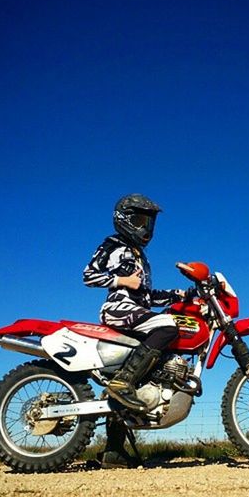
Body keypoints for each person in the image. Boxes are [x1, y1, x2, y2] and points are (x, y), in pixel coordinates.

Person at [83, 193, 185, 468]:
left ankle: (113, 452)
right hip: (118, 308)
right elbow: (88, 275)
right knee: (167, 326)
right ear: (124, 220)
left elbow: (147, 297)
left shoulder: (142, 258)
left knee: (142, 366)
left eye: (148, 222)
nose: (145, 227)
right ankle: (123, 382)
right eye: (140, 220)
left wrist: (179, 295)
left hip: (135, 309)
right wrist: (122, 279)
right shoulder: (112, 244)